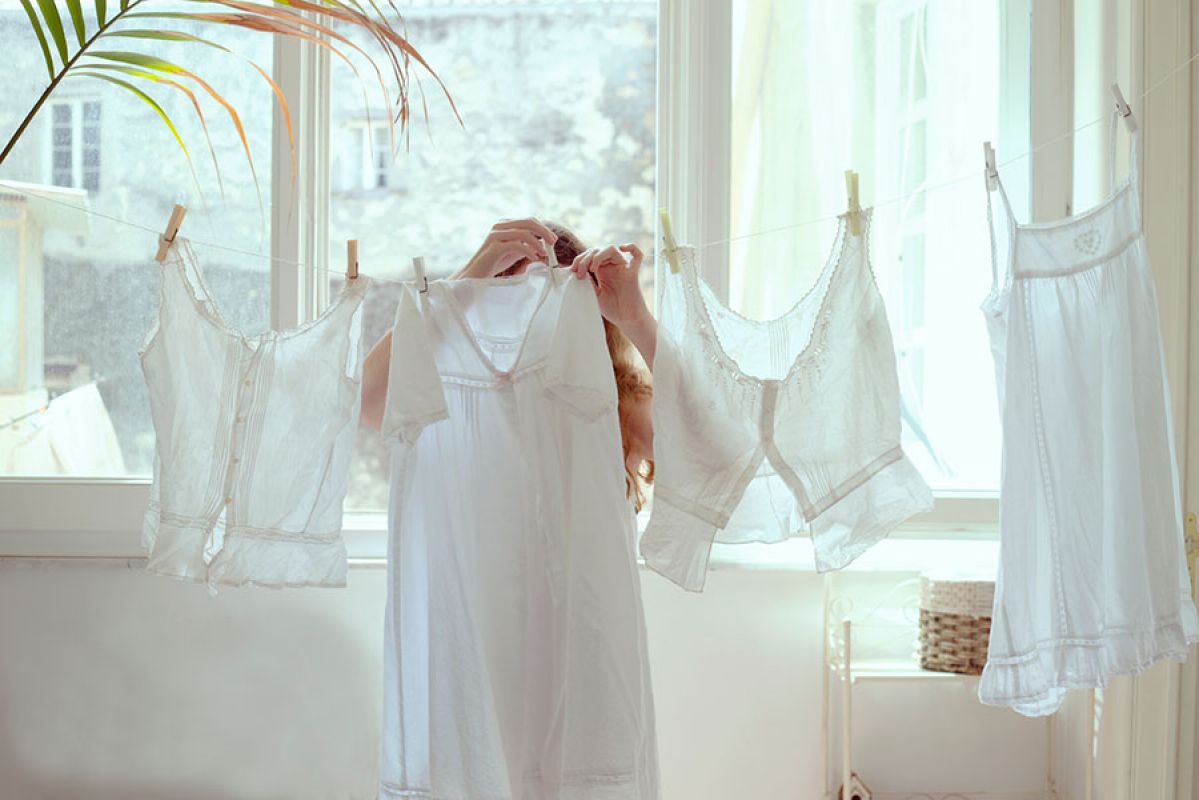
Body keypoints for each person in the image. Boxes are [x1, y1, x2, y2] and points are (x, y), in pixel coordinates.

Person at [359, 217, 658, 507]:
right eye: (521, 299)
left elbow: (698, 445)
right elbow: (366, 399)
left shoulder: (617, 402)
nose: (538, 320)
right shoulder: (455, 397)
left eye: (555, 301)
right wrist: (465, 282)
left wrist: (637, 320)